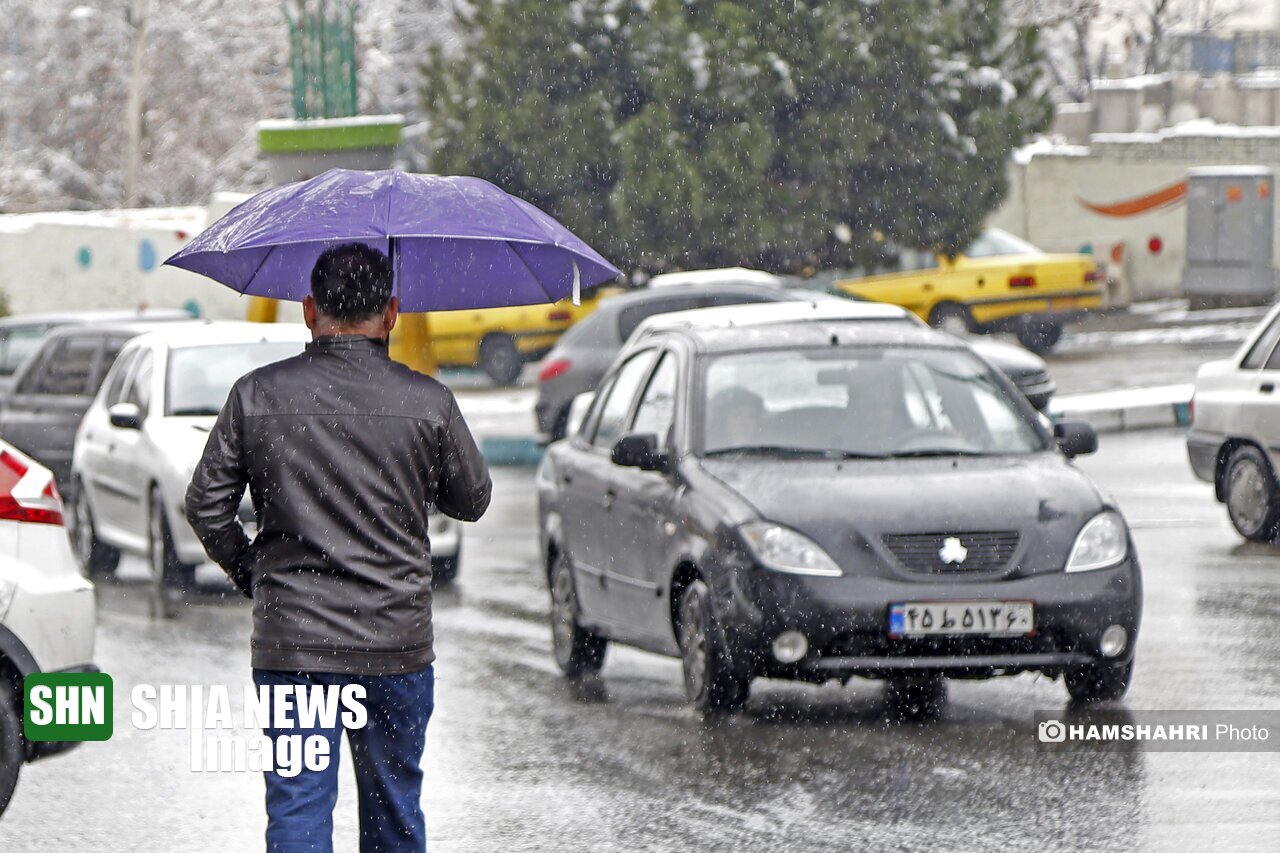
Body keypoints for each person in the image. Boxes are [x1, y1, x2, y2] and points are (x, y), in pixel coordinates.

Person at [185, 242, 492, 852]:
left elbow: (206, 504)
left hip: (294, 642)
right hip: (395, 645)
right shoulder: (428, 402)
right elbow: (472, 499)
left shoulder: (257, 395)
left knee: (298, 808)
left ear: (308, 310)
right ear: (392, 313)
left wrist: (254, 574)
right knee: (394, 812)